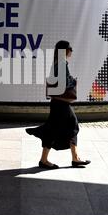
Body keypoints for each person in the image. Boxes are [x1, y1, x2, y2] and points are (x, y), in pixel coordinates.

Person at [26, 40, 90, 169]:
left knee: (59, 128)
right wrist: (73, 81)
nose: (71, 50)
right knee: (69, 127)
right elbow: (65, 83)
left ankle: (71, 158)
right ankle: (68, 158)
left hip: (57, 102)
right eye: (70, 48)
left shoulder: (56, 63)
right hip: (61, 103)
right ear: (65, 50)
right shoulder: (61, 64)